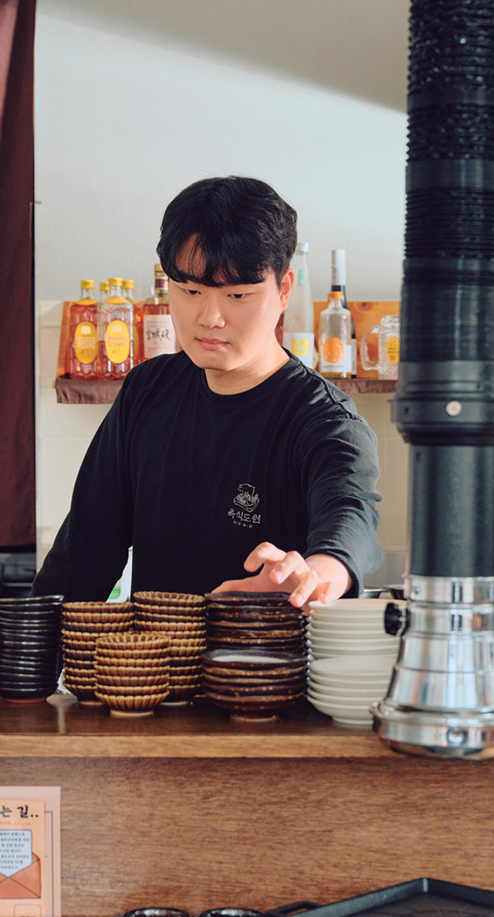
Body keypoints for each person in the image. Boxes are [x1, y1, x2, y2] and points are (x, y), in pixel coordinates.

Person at [33, 176, 383, 608]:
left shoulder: (324, 421)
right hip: (157, 668)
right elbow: (82, 555)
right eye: (191, 291)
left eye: (237, 295)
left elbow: (351, 514)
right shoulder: (147, 391)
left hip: (267, 671)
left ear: (283, 290)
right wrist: (23, 652)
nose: (210, 317)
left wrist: (321, 572)